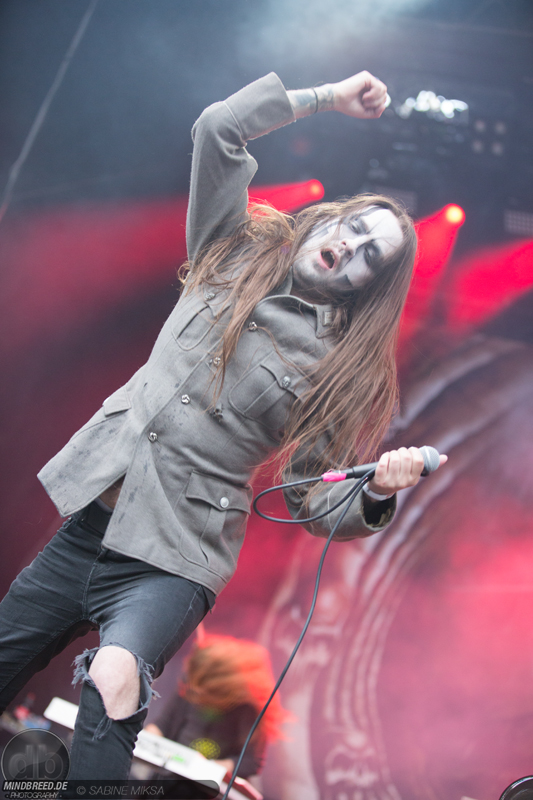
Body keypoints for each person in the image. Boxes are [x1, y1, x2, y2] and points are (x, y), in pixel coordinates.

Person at [0, 69, 447, 781]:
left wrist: (375, 492)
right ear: (330, 218)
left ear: (367, 284)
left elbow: (312, 496)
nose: (353, 247)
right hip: (92, 524)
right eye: (354, 228)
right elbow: (218, 127)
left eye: (372, 256)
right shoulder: (233, 248)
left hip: (176, 556)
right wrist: (328, 97)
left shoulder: (335, 366)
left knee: (115, 677)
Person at [145, 633, 289, 780]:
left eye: (205, 693)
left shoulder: (248, 709)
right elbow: (162, 725)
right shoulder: (192, 683)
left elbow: (250, 762)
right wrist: (146, 742)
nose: (198, 697)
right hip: (166, 778)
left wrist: (207, 768)